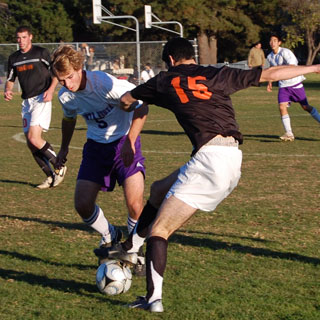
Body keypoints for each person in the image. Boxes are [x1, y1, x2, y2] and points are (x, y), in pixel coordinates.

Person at [95, 37, 320, 313]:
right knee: (158, 189)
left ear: (170, 61)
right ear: (192, 56)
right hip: (231, 158)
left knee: (160, 231)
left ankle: (153, 299)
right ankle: (131, 245)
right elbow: (271, 73)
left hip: (209, 161)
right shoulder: (217, 73)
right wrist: (314, 69)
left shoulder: (164, 81)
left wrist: (126, 107)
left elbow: (126, 100)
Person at [51, 45, 148, 275]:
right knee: (82, 204)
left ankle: (135, 250)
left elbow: (142, 105)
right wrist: (64, 148)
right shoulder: (66, 96)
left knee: (135, 204)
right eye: (61, 80)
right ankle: (110, 235)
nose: (67, 84)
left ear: (79, 68)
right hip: (95, 148)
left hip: (124, 143)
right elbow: (69, 119)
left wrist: (130, 141)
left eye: (70, 77)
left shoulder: (106, 84)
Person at [3, 25, 66, 189]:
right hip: (27, 102)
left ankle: (59, 165)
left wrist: (51, 90)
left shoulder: (41, 53)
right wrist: (8, 90)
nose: (21, 41)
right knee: (31, 144)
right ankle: (50, 176)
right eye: (18, 38)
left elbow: (56, 73)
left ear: (30, 37)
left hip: (41, 98)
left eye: (24, 37)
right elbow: (10, 79)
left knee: (34, 138)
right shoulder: (14, 58)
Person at [267, 34, 320, 141]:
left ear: (279, 43)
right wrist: (270, 81)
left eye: (275, 40)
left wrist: (277, 68)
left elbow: (292, 66)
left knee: (305, 107)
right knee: (282, 107)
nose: (272, 43)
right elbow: (273, 72)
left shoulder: (285, 52)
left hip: (295, 84)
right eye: (271, 41)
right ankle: (289, 133)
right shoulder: (270, 57)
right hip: (283, 86)